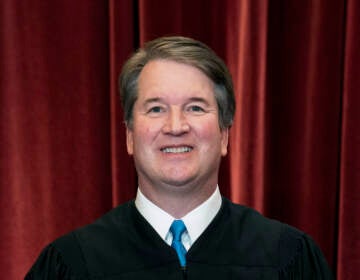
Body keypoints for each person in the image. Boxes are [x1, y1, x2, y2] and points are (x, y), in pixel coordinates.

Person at [25, 36, 333, 279]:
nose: (176, 127)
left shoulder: (287, 259)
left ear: (224, 134)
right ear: (130, 135)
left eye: (196, 107)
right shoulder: (72, 264)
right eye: (156, 108)